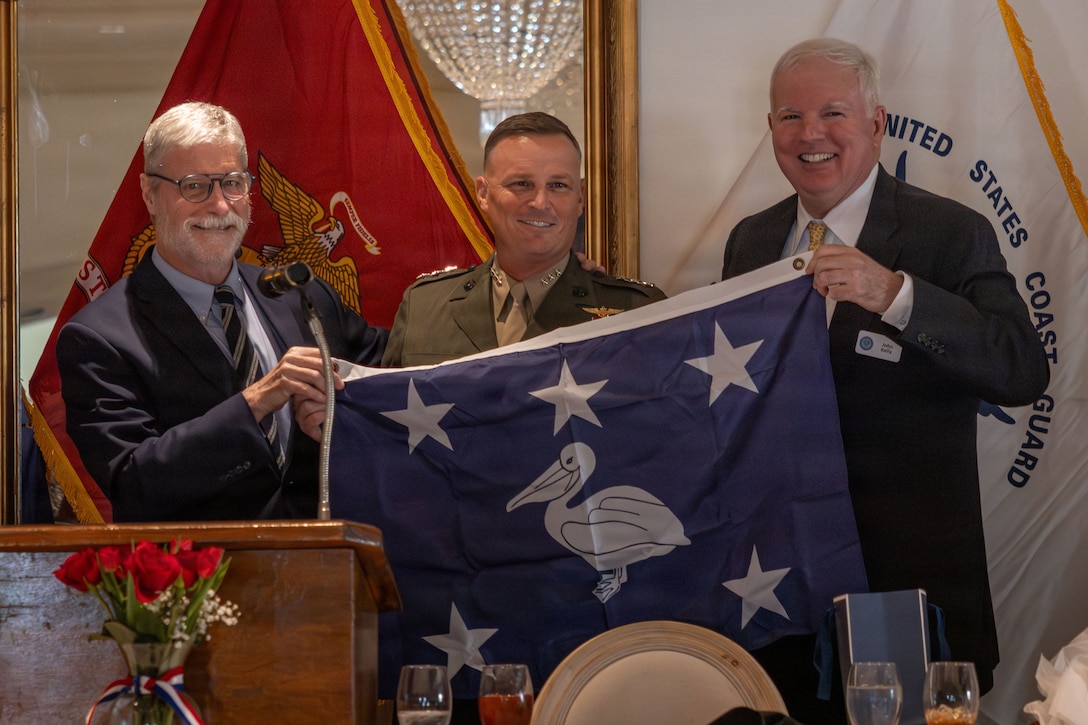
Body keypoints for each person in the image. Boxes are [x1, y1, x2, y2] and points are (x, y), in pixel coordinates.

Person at [720, 38, 1050, 721]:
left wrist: (898, 294)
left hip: (904, 591)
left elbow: (1020, 368)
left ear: (877, 124)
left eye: (833, 113)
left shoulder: (950, 232)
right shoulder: (751, 241)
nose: (810, 134)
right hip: (778, 588)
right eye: (790, 116)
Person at [56, 101, 387, 522]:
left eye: (232, 183)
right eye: (194, 186)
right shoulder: (98, 337)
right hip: (204, 581)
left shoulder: (302, 296)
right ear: (149, 194)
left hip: (331, 568)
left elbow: (393, 380)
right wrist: (255, 402)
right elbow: (133, 483)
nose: (219, 206)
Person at [380, 111, 665, 367]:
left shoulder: (637, 312)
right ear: (483, 194)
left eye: (558, 185)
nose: (541, 202)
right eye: (521, 184)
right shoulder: (423, 306)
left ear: (580, 197)